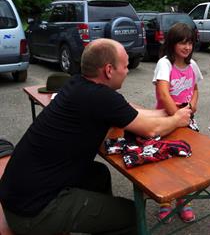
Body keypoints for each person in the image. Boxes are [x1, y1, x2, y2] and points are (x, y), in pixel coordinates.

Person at [0, 38, 191, 235]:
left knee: (98, 174)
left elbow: (130, 112)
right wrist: (177, 120)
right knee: (132, 215)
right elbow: (151, 130)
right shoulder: (100, 98)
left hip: (18, 193)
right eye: (125, 66)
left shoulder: (78, 84)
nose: (127, 71)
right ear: (109, 70)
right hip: (33, 212)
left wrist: (169, 112)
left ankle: (100, 223)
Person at [152, 22, 203, 223]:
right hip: (166, 120)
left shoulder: (192, 65)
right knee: (165, 162)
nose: (187, 47)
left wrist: (192, 104)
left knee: (185, 162)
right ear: (172, 43)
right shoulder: (164, 63)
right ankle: (165, 203)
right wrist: (177, 119)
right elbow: (164, 94)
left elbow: (196, 89)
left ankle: (183, 202)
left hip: (186, 119)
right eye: (182, 43)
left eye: (189, 43)